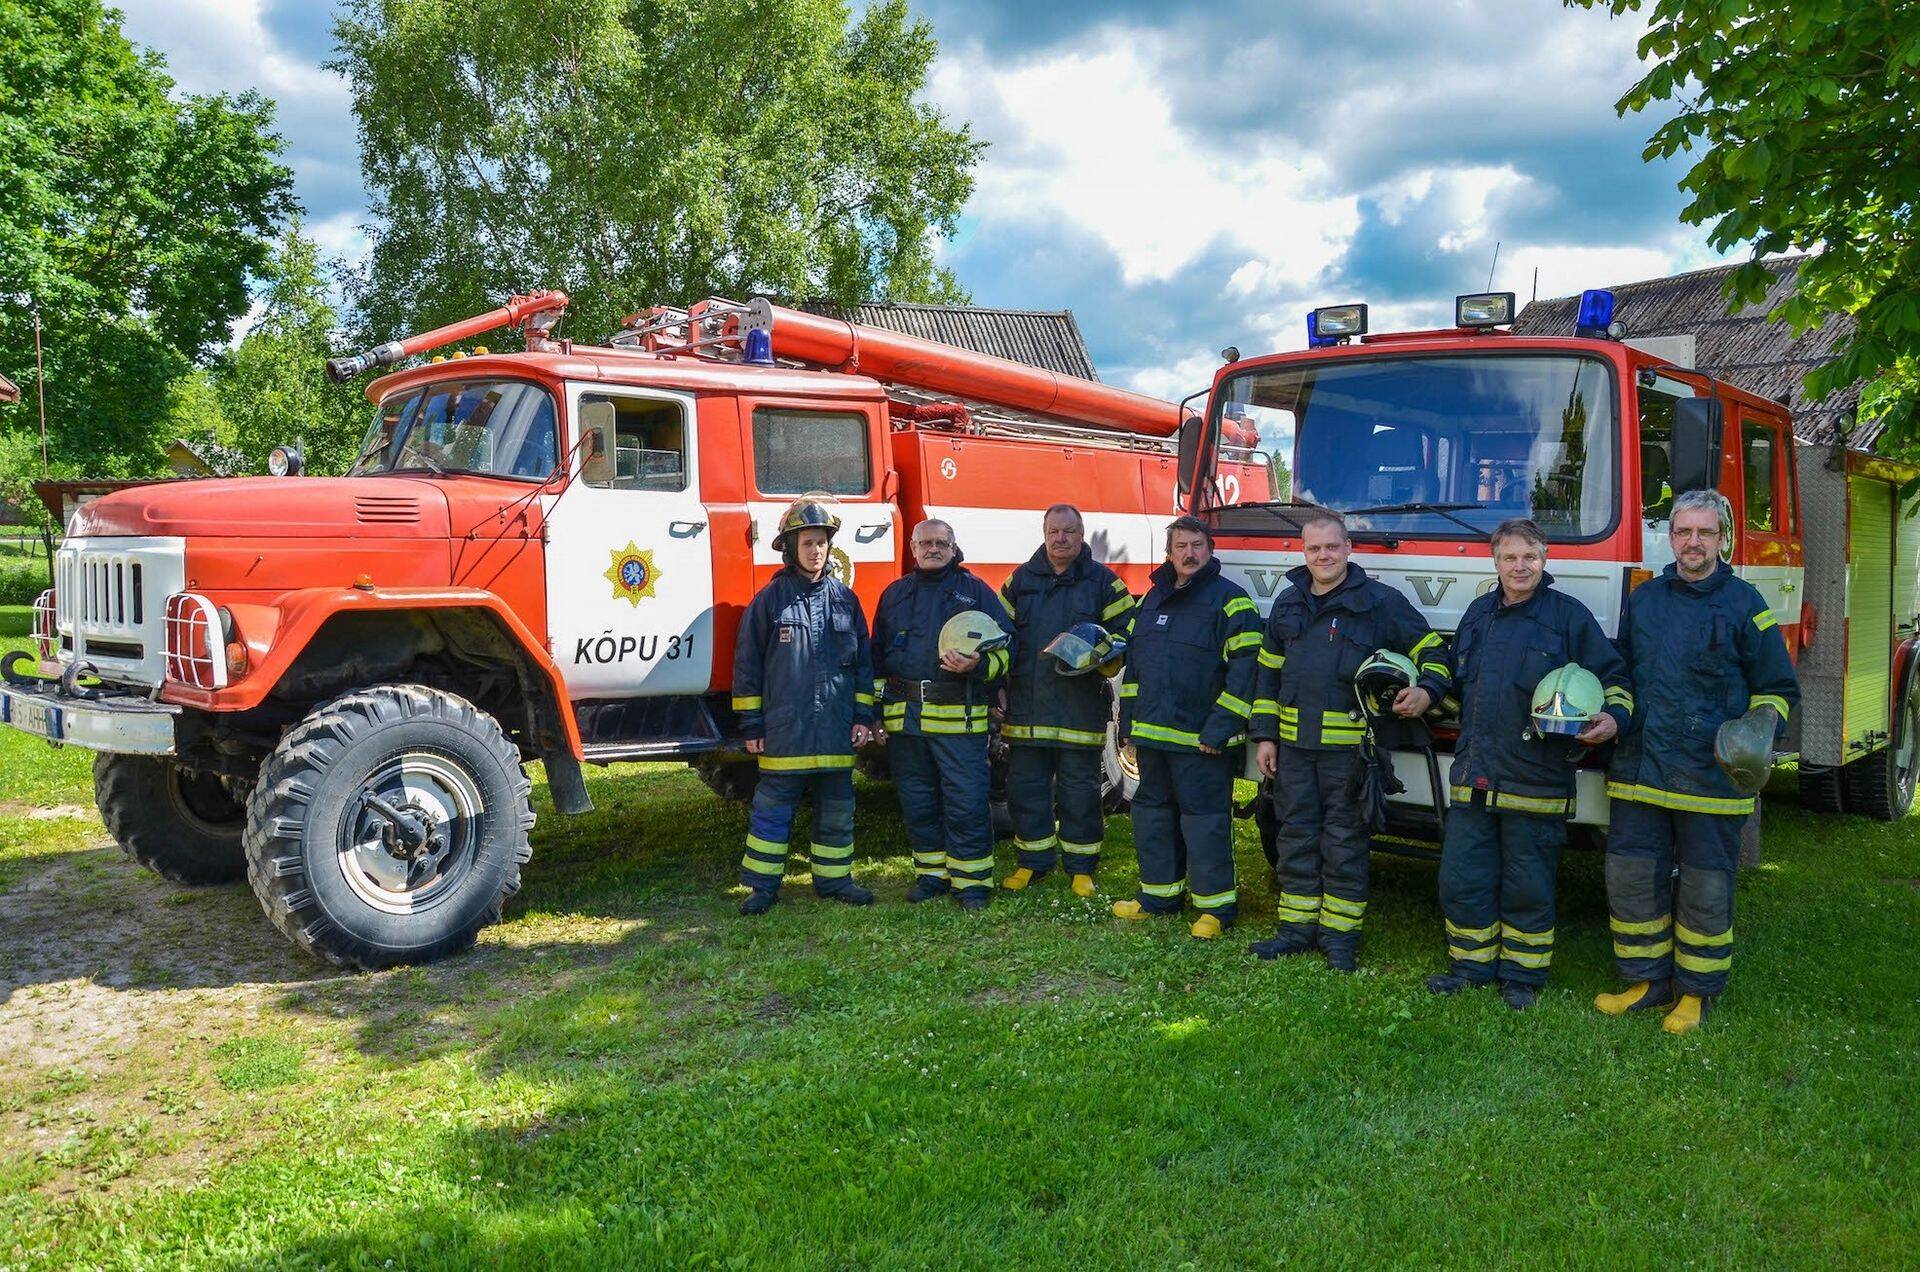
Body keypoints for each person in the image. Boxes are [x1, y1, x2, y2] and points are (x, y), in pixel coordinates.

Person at [1595, 489, 1799, 1033]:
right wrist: (1613, 715)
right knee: (1632, 878)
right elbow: (1623, 671)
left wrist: (1759, 728)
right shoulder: (1645, 600)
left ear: (1722, 538)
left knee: (1706, 888)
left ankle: (1696, 993)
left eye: (1703, 532)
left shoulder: (1745, 604)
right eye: (1683, 531)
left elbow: (1778, 688)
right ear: (1671, 536)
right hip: (1639, 770)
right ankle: (1647, 981)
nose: (1692, 542)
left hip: (1710, 778)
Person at [1420, 519, 1632, 1010]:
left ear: (1544, 559)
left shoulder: (1568, 617)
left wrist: (1614, 717)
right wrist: (1425, 692)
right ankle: (1470, 967)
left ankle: (1523, 977)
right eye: (1510, 558)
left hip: (1535, 780)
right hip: (1474, 776)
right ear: (1495, 563)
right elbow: (1455, 684)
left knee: (1527, 883)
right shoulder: (1477, 615)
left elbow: (1615, 677)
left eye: (1529, 557)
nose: (1520, 566)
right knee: (1463, 877)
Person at [1248, 510, 1449, 971]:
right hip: (1294, 752)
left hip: (1350, 756)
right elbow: (1267, 676)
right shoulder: (1289, 603)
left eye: (1332, 547)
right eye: (1314, 548)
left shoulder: (1380, 602)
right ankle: (1295, 931)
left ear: (1348, 549)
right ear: (1303, 552)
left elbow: (1434, 653)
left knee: (1344, 843)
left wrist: (1426, 691)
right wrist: (1264, 737)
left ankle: (1340, 939)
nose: (1324, 556)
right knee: (1294, 837)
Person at [1112, 516, 1262, 939]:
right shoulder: (1151, 601)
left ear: (1209, 550)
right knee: (1152, 818)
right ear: (1169, 553)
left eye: (1197, 545)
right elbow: (1136, 668)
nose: (1190, 553)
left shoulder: (1232, 602)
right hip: (1154, 738)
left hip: (1203, 743)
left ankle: (1216, 908)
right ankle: (1159, 898)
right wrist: (1129, 724)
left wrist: (1222, 728)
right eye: (1181, 546)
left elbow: (1246, 673)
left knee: (1205, 822)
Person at [730, 499, 876, 915]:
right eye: (808, 543)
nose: (816, 551)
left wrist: (864, 717)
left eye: (822, 543)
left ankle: (835, 882)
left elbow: (864, 666)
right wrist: (752, 725)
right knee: (772, 811)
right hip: (784, 730)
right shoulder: (770, 601)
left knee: (837, 810)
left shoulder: (846, 601)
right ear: (790, 548)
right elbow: (747, 666)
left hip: (835, 729)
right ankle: (762, 887)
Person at [873, 519, 1011, 910]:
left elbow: (1007, 652)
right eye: (925, 543)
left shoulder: (975, 593)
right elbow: (877, 659)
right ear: (913, 549)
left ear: (954, 548)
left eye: (941, 543)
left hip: (959, 722)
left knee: (965, 801)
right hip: (906, 721)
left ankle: (972, 883)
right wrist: (875, 715)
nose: (932, 549)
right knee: (918, 801)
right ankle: (932, 875)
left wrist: (977, 666)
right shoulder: (894, 595)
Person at [998, 504, 1134, 896]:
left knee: (1080, 791)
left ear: (1081, 534)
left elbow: (1128, 631)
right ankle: (1032, 863)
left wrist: (1108, 656)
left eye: (1069, 531)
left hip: (1080, 706)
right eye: (1054, 531)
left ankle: (1081, 868)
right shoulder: (1019, 582)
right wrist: (998, 687)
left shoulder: (1104, 583)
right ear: (1044, 533)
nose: (1061, 538)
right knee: (1026, 789)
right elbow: (1000, 636)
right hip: (1027, 706)